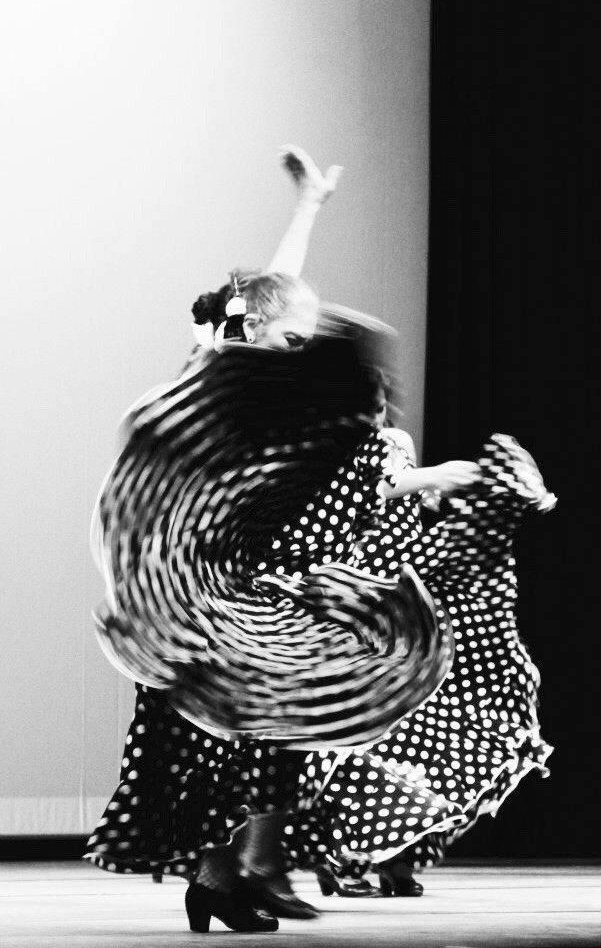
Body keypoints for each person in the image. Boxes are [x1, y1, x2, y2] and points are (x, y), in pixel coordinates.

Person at [85, 148, 451, 932]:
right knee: (220, 738)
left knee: (272, 735)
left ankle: (241, 873)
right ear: (251, 332)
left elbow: (274, 304)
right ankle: (220, 876)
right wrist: (305, 213)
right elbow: (259, 302)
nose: (301, 348)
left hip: (262, 593)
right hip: (208, 599)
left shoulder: (281, 404)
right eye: (291, 337)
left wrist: (311, 208)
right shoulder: (226, 378)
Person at [283, 396, 555, 897]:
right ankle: (348, 856)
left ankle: (386, 859)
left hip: (401, 588)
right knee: (369, 738)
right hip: (377, 588)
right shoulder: (333, 455)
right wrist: (436, 478)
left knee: (409, 737)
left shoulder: (390, 446)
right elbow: (379, 491)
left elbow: (398, 496)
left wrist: (434, 491)